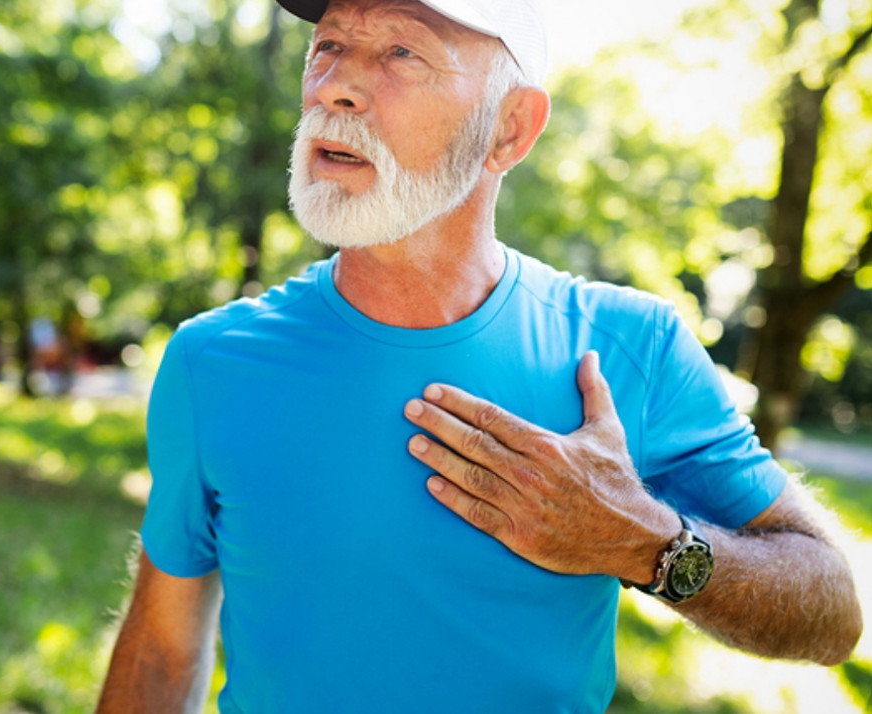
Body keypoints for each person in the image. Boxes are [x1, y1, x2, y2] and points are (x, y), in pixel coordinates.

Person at [97, 0, 863, 711]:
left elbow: (834, 614)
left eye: (402, 52)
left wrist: (646, 544)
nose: (337, 87)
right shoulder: (213, 360)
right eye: (327, 45)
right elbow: (163, 654)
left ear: (511, 130)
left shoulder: (631, 347)